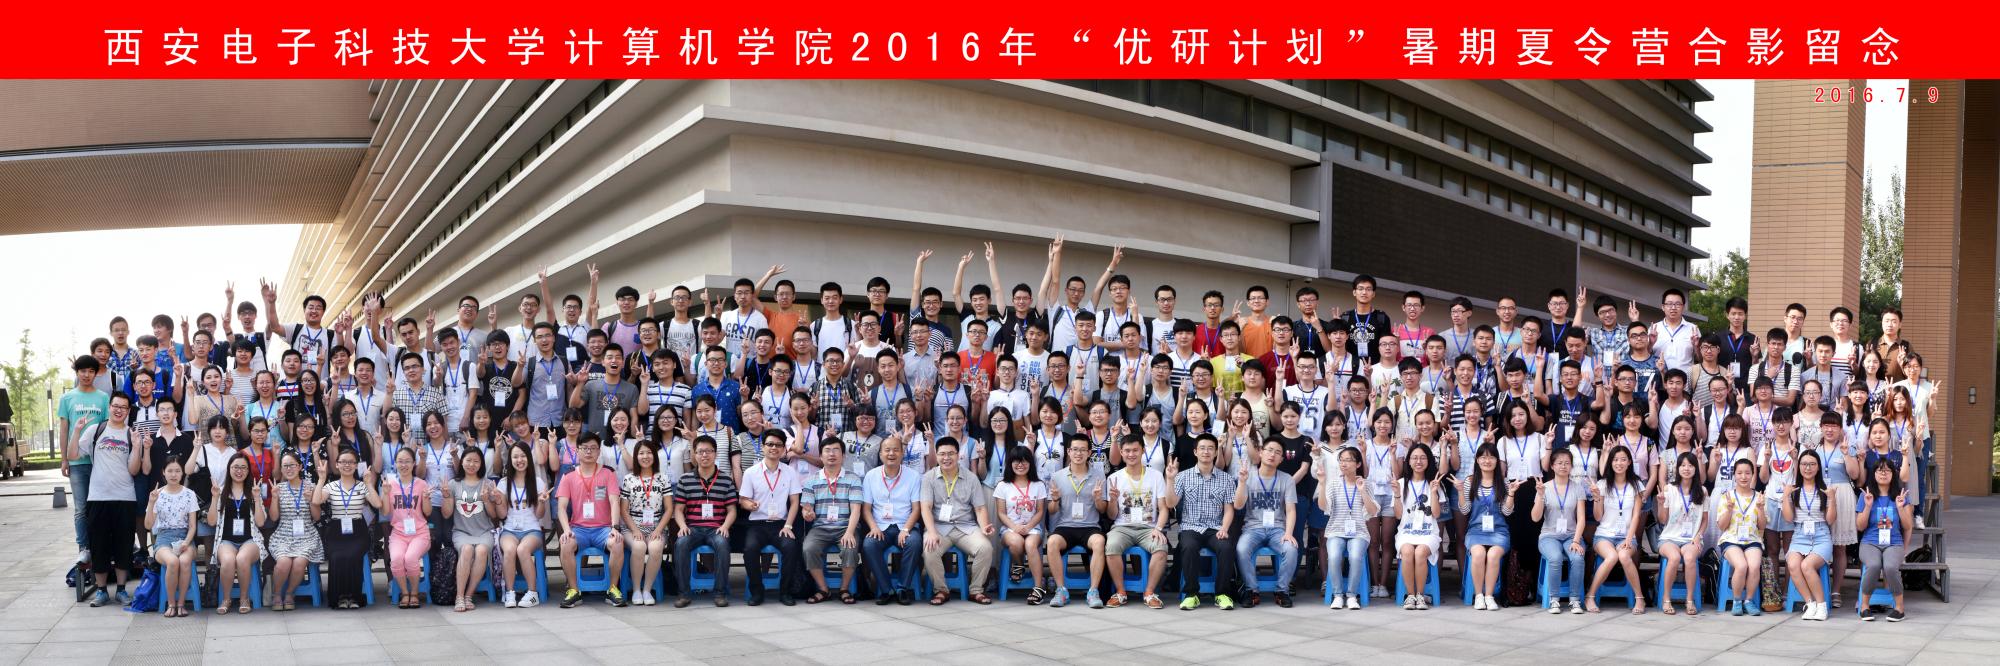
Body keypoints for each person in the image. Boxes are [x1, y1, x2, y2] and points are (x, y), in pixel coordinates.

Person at [73, 390, 142, 607]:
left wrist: (137, 446)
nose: (119, 410)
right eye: (116, 406)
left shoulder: (131, 434)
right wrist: (76, 430)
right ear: (109, 407)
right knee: (99, 545)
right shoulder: (95, 430)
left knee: (124, 545)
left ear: (128, 411)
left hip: (125, 497)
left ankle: (121, 590)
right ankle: (101, 591)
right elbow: (73, 455)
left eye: (123, 407)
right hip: (98, 497)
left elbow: (134, 470)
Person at [919, 437, 997, 605]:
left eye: (951, 454)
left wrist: (984, 526)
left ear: (958, 455)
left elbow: (980, 508)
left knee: (985, 548)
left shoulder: (971, 478)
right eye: (942, 454)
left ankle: (976, 590)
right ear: (936, 455)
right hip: (939, 527)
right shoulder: (928, 478)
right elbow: (926, 508)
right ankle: (941, 590)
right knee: (929, 549)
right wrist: (931, 532)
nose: (946, 458)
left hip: (966, 527)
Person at [555, 434, 627, 608]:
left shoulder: (608, 473)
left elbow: (614, 502)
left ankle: (612, 589)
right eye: (585, 448)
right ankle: (574, 590)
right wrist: (566, 530)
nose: (589, 451)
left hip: (603, 528)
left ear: (599, 451)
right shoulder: (568, 475)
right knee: (565, 543)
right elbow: (561, 508)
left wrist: (615, 527)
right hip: (578, 529)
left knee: (617, 542)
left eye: (593, 448)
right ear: (577, 451)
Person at [1170, 434, 1237, 611]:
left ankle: (1222, 594)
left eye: (1210, 448)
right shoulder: (1182, 476)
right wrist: (1170, 479)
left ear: (1216, 452)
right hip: (1190, 527)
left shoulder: (1226, 479)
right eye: (1202, 448)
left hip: (1215, 528)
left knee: (1226, 547)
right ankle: (1192, 594)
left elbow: (1229, 509)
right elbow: (1171, 503)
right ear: (1195, 452)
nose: (1206, 452)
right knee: (1188, 546)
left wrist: (1224, 528)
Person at [1104, 436, 1171, 609]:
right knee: (1111, 546)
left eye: (1135, 450)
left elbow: (1164, 508)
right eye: (1127, 451)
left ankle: (1149, 592)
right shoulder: (1114, 478)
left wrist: (1159, 528)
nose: (1131, 454)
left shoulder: (1156, 476)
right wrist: (1113, 500)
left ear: (1143, 451)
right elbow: (1111, 515)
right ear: (1121, 452)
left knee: (1161, 547)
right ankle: (1121, 592)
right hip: (1122, 527)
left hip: (1148, 528)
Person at [673, 436, 738, 607]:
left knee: (722, 544)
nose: (704, 455)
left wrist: (725, 526)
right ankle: (683, 594)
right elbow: (678, 510)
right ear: (694, 455)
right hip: (692, 528)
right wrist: (682, 526)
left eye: (709, 451)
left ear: (715, 454)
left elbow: (732, 510)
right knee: (681, 544)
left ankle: (720, 593)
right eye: (700, 452)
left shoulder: (725, 480)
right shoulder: (685, 479)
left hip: (716, 528)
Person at [1044, 434, 1109, 609]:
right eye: (1074, 449)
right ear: (1068, 452)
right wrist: (1055, 500)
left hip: (1090, 526)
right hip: (1065, 526)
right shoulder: (1057, 476)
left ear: (1089, 453)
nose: (1078, 453)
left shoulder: (1098, 475)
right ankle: (1061, 590)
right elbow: (1051, 510)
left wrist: (1097, 499)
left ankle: (1093, 591)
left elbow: (1103, 509)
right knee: (1052, 542)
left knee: (1099, 541)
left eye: (1082, 450)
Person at [741, 431, 804, 606]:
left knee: (791, 547)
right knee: (749, 549)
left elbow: (795, 502)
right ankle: (757, 591)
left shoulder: (790, 472)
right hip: (757, 524)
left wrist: (788, 526)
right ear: (763, 447)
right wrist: (749, 505)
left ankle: (785, 592)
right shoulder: (751, 472)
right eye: (770, 444)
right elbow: (743, 500)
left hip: (781, 524)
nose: (774, 448)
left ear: (784, 449)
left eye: (778, 445)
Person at [1234, 438, 1297, 608]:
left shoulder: (1287, 479)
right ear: (1261, 452)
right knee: (1241, 549)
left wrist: (1288, 533)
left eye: (1277, 452)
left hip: (1278, 529)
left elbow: (1291, 510)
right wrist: (1241, 483)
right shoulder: (1248, 475)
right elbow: (1238, 505)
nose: (1272, 455)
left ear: (1281, 459)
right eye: (1269, 450)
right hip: (1253, 528)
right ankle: (1251, 590)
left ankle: (1282, 590)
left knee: (1291, 549)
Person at [800, 437, 864, 605]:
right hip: (820, 528)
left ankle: (844, 589)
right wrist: (807, 514)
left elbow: (856, 509)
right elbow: (806, 508)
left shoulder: (853, 478)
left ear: (843, 455)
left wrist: (850, 532)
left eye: (836, 450)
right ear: (821, 456)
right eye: (827, 451)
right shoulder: (811, 480)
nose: (831, 454)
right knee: (808, 548)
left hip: (845, 526)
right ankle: (823, 589)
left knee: (850, 548)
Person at [60, 354, 112, 558]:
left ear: (96, 373)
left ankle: (105, 544)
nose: (87, 375)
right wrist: (64, 459)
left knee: (101, 506)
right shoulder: (67, 398)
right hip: (77, 462)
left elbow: (107, 428)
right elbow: (64, 429)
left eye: (91, 371)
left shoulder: (103, 398)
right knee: (81, 508)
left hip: (99, 462)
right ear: (77, 373)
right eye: (83, 371)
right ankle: (84, 548)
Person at [861, 436, 923, 606]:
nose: (891, 453)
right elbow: (866, 509)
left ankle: (903, 588)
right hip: (880, 527)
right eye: (887, 450)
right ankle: (886, 589)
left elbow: (916, 508)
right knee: (869, 545)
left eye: (896, 450)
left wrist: (906, 529)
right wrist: (873, 527)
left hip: (905, 525)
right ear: (880, 454)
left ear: (902, 453)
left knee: (914, 542)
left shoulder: (913, 476)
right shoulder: (871, 476)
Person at [318, 447, 381, 609]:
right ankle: (339, 597)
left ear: (356, 465)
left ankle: (353, 596)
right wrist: (321, 479)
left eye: (351, 462)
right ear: (337, 465)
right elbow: (317, 501)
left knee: (353, 555)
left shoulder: (362, 486)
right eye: (343, 462)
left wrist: (369, 483)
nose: (347, 465)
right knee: (337, 556)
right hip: (336, 531)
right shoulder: (330, 486)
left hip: (358, 531)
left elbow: (377, 504)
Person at [1586, 445, 1645, 614]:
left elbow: (1636, 516)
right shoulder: (1602, 484)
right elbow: (1598, 517)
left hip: (1627, 536)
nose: (1619, 463)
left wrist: (1629, 538)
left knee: (1624, 556)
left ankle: (1639, 598)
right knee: (1612, 556)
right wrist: (1597, 498)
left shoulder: (1636, 485)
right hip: (1604, 535)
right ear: (1610, 462)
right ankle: (1590, 596)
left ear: (1629, 462)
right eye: (1615, 459)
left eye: (1623, 459)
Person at [1458, 442, 1516, 611]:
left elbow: (1507, 512)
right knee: (1478, 554)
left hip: (1499, 531)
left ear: (1497, 461)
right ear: (1477, 460)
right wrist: (1460, 491)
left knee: (1493, 555)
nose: (1487, 461)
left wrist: (1511, 494)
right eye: (1483, 457)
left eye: (1491, 457)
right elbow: (1465, 510)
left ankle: (1489, 596)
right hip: (1476, 531)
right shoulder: (1470, 482)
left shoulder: (1504, 482)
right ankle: (1479, 595)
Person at [267, 451, 325, 612]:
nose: (288, 469)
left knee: (299, 562)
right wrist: (274, 498)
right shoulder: (278, 488)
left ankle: (290, 594)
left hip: (307, 535)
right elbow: (274, 517)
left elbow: (317, 517)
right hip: (283, 535)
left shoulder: (310, 486)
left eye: (292, 465)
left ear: (300, 467)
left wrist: (311, 501)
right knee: (283, 563)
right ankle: (277, 594)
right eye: (285, 466)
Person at [1856, 458, 1912, 622]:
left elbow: (1907, 525)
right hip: (1870, 542)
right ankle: (1864, 606)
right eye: (1879, 470)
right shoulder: (1866, 495)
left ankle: (1899, 608)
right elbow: (1860, 526)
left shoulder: (1900, 496)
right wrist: (1868, 506)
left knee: (1890, 567)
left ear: (1893, 474)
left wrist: (1900, 508)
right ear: (1873, 474)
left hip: (1893, 542)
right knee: (1873, 565)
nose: (1883, 473)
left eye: (1887, 470)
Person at [993, 447, 1052, 604]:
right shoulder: (1003, 485)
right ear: (1010, 463)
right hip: (1010, 528)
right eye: (1016, 461)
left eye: (1024, 461)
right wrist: (1015, 527)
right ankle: (1018, 565)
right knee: (1016, 541)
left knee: (1031, 545)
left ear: (1030, 463)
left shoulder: (1038, 485)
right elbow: (1001, 513)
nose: (1020, 465)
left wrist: (1029, 526)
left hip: (1033, 527)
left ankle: (1038, 588)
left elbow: (1040, 511)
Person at [210, 451, 266, 614]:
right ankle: (226, 599)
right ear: (229, 469)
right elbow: (212, 522)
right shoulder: (220, 491)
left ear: (248, 471)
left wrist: (257, 499)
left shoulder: (253, 491)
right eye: (235, 467)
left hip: (250, 541)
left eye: (243, 467)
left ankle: (244, 598)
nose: (239, 471)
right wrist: (214, 498)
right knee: (228, 560)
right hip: (226, 541)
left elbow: (260, 522)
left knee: (242, 558)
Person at [1319, 446, 1375, 610]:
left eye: (1348, 460)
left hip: (1359, 532)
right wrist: (1322, 484)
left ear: (1358, 464)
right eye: (1341, 460)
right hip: (1335, 530)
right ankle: (1337, 595)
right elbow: (1323, 507)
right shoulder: (1334, 483)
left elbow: (1372, 511)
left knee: (1356, 556)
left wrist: (1362, 491)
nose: (1344, 464)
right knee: (1334, 556)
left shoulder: (1365, 484)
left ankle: (1351, 595)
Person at [1536, 448, 1589, 614]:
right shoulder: (1544, 487)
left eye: (1567, 463)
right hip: (1549, 536)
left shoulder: (1578, 488)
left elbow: (1581, 518)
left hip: (1571, 535)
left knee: (1577, 558)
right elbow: (1535, 518)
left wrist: (1576, 541)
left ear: (1572, 466)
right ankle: (1554, 599)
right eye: (1559, 463)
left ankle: (1574, 600)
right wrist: (1540, 496)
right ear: (1552, 466)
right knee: (1555, 558)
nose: (1563, 466)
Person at [146, 454, 200, 617]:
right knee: (172, 561)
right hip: (163, 538)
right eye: (170, 471)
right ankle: (171, 603)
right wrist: (151, 503)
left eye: (177, 471)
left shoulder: (189, 494)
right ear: (163, 472)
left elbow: (192, 526)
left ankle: (181, 603)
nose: (174, 474)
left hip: (185, 537)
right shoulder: (157, 494)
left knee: (184, 561)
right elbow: (148, 525)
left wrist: (186, 542)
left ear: (182, 473)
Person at [1784, 449, 1835, 621]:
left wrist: (1832, 499)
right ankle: (1810, 603)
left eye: (1812, 464)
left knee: (1807, 565)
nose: (1808, 468)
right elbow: (1789, 518)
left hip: (1821, 535)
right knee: (1793, 564)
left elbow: (1830, 519)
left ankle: (1822, 606)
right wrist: (1785, 497)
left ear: (1818, 467)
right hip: (1799, 535)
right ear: (1799, 466)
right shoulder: (1794, 489)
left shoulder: (1825, 488)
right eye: (1804, 464)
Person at [495, 442, 548, 608]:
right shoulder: (503, 483)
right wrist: (498, 501)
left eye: (523, 456)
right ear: (510, 460)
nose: (519, 460)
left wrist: (541, 502)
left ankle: (533, 593)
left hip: (532, 529)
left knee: (522, 549)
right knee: (510, 550)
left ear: (529, 458)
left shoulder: (538, 482)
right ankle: (510, 592)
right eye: (515, 457)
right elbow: (502, 515)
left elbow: (539, 515)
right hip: (510, 529)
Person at [1655, 451, 1707, 616]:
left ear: (1696, 469)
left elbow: (1705, 520)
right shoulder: (1669, 489)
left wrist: (1698, 536)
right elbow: (1663, 520)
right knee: (1674, 557)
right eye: (1683, 465)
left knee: (1690, 558)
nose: (1686, 468)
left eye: (1690, 465)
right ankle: (1666, 598)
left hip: (1691, 539)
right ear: (1677, 468)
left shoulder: (1703, 491)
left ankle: (1689, 599)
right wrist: (1661, 503)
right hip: (1669, 538)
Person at [448, 448, 499, 612]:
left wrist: (487, 500)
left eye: (476, 461)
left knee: (482, 550)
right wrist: (446, 496)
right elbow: (446, 513)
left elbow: (493, 515)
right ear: (462, 462)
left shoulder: (488, 484)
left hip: (484, 531)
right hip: (461, 532)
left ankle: (468, 595)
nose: (472, 464)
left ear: (481, 464)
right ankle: (459, 596)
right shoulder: (453, 484)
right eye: (468, 460)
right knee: (467, 549)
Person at [1392, 443, 1442, 610]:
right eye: (1414, 458)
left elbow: (1436, 514)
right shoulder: (1401, 483)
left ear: (1429, 461)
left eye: (1422, 458)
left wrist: (1433, 493)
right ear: (1408, 461)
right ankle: (1410, 595)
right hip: (1406, 532)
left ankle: (1420, 595)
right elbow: (1398, 515)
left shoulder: (1434, 483)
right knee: (1407, 551)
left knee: (1420, 552)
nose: (1418, 461)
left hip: (1429, 533)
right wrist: (1397, 495)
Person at [384, 447, 432, 609]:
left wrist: (426, 498)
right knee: (397, 559)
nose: (403, 465)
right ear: (395, 464)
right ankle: (405, 593)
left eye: (407, 461)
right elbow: (385, 512)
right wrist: (385, 494)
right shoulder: (390, 485)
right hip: (398, 533)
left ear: (413, 464)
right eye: (400, 461)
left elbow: (427, 512)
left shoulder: (421, 484)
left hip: (420, 533)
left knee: (411, 558)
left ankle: (415, 593)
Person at [1717, 458, 1767, 615]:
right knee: (1741, 565)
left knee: (1754, 566)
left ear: (1753, 475)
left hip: (1752, 539)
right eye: (1739, 473)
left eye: (1747, 473)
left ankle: (1749, 600)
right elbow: (1721, 526)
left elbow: (1762, 526)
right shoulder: (1727, 497)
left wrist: (1760, 509)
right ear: (1734, 475)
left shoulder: (1759, 497)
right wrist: (1729, 510)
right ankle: (1737, 601)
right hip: (1731, 539)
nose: (1743, 477)